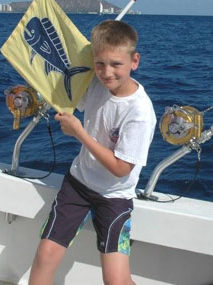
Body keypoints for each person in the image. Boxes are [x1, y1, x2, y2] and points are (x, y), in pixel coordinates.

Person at [29, 20, 156, 285]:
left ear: (135, 61)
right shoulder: (95, 83)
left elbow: (121, 168)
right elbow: (69, 91)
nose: (106, 72)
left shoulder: (140, 112)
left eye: (116, 64)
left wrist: (79, 133)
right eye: (100, 64)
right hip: (77, 185)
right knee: (45, 256)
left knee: (116, 280)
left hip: (114, 196)